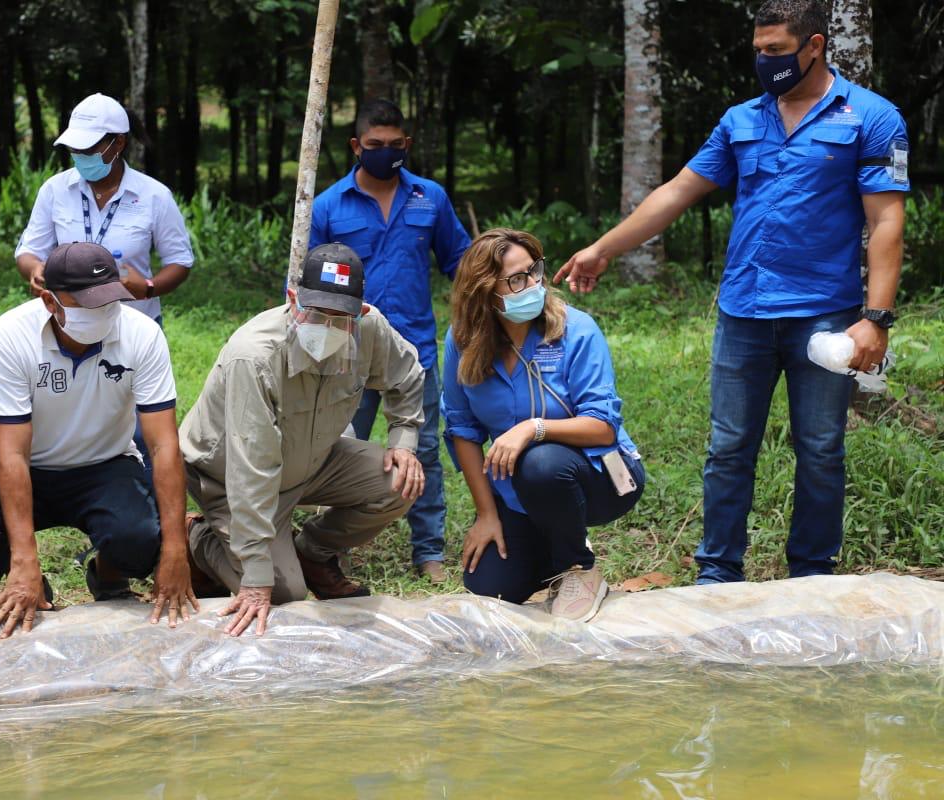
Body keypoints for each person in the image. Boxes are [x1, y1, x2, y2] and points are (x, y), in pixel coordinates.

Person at [555, 0, 908, 584]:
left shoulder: (870, 116)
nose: (764, 61)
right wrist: (605, 248)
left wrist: (876, 318)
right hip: (744, 310)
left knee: (820, 448)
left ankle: (812, 574)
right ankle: (718, 571)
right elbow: (677, 191)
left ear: (814, 45)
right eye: (758, 50)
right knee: (727, 448)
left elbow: (887, 222)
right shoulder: (742, 120)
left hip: (826, 316)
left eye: (776, 50)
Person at [0, 242, 195, 638]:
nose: (101, 313)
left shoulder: (141, 335)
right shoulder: (8, 337)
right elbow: (13, 454)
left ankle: (108, 575)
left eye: (108, 301)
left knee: (143, 538)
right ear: (48, 300)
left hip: (106, 465)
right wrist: (24, 559)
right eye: (85, 304)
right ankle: (28, 580)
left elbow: (163, 446)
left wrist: (176, 549)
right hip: (29, 465)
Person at [181, 243, 426, 636]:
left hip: (314, 460)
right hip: (228, 477)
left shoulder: (370, 329)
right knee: (280, 593)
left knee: (400, 481)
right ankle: (199, 535)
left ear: (359, 315)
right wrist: (257, 576)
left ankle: (312, 552)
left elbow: (407, 376)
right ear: (294, 299)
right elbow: (251, 467)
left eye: (339, 317)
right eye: (315, 312)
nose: (325, 325)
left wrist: (403, 439)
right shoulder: (255, 357)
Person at [442, 230, 644, 621]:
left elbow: (603, 426)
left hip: (603, 476)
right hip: (519, 492)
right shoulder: (463, 339)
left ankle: (578, 568)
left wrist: (533, 427)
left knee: (539, 461)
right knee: (490, 585)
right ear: (485, 290)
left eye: (534, 271)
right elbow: (462, 429)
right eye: (517, 279)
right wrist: (487, 514)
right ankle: (550, 551)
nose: (533, 284)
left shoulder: (576, 328)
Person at [310, 99, 470, 584]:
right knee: (336, 448)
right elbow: (305, 282)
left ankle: (429, 553)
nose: (385, 153)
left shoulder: (430, 198)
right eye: (374, 145)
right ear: (357, 146)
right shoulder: (328, 206)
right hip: (345, 354)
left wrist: (483, 305)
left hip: (414, 351)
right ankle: (332, 548)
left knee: (422, 451)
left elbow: (460, 262)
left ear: (407, 144)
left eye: (394, 145)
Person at [15, 93, 195, 480]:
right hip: (66, 327)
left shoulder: (153, 196)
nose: (80, 156)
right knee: (65, 416)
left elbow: (180, 261)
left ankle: (153, 516)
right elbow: (28, 251)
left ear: (118, 143)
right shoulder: (55, 191)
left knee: (144, 428)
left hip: (130, 326)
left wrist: (147, 286)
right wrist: (35, 271)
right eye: (74, 148)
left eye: (89, 147)